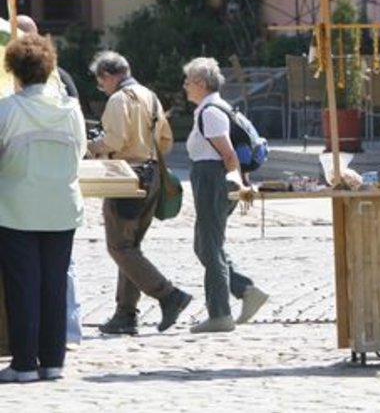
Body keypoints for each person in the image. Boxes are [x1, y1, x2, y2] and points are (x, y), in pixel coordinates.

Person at [88, 51, 192, 335]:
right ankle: (126, 314)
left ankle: (169, 294)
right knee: (130, 248)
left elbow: (114, 139)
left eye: (101, 83)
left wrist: (91, 146)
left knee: (119, 247)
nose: (102, 88)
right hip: (152, 176)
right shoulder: (150, 96)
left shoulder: (119, 99)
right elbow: (166, 140)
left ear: (109, 76)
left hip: (127, 178)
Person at [0, 34, 85, 383]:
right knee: (54, 285)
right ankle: (53, 361)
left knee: (23, 286)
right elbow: (79, 152)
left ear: (14, 71)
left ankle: (23, 363)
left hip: (17, 207)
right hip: (62, 206)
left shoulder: (8, 109)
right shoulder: (71, 110)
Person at [182, 57, 268, 333]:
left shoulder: (211, 112)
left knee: (209, 246)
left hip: (213, 179)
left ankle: (220, 315)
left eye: (188, 82)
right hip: (211, 177)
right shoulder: (213, 108)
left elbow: (229, 154)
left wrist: (239, 185)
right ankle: (245, 290)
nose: (185, 87)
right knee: (206, 245)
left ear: (200, 83)